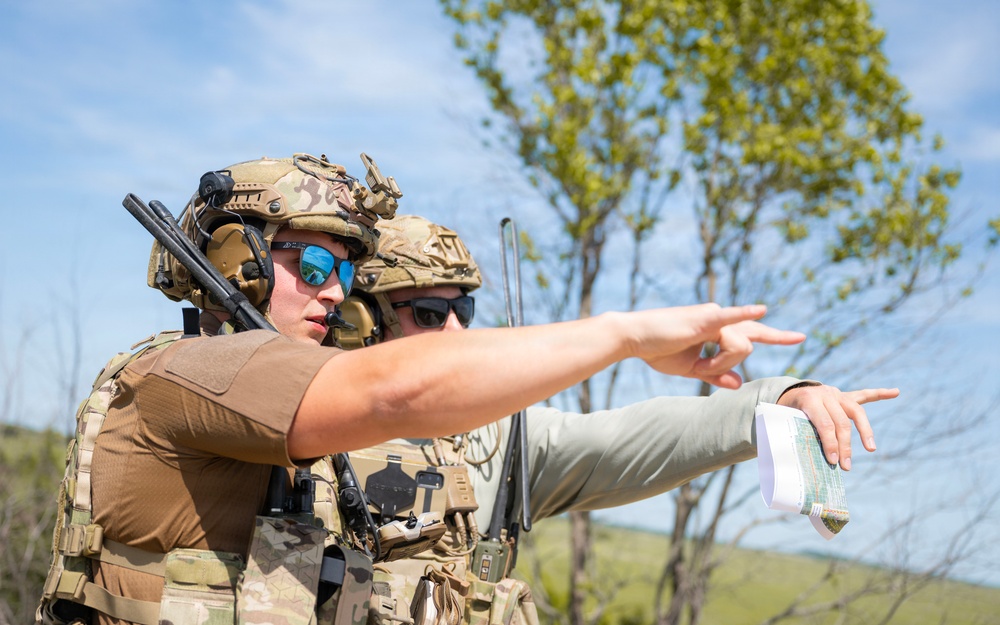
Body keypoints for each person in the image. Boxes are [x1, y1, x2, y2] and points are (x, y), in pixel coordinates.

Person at [36, 154, 818, 625]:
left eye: (345, 273)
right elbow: (389, 393)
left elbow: (620, 442)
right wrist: (625, 334)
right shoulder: (182, 375)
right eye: (311, 266)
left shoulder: (300, 409)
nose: (332, 293)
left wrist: (767, 399)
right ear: (236, 257)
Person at [332, 214, 899, 625]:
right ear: (363, 320)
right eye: (431, 313)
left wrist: (777, 398)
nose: (456, 332)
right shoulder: (300, 420)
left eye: (464, 310)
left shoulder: (498, 439)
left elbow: (632, 438)